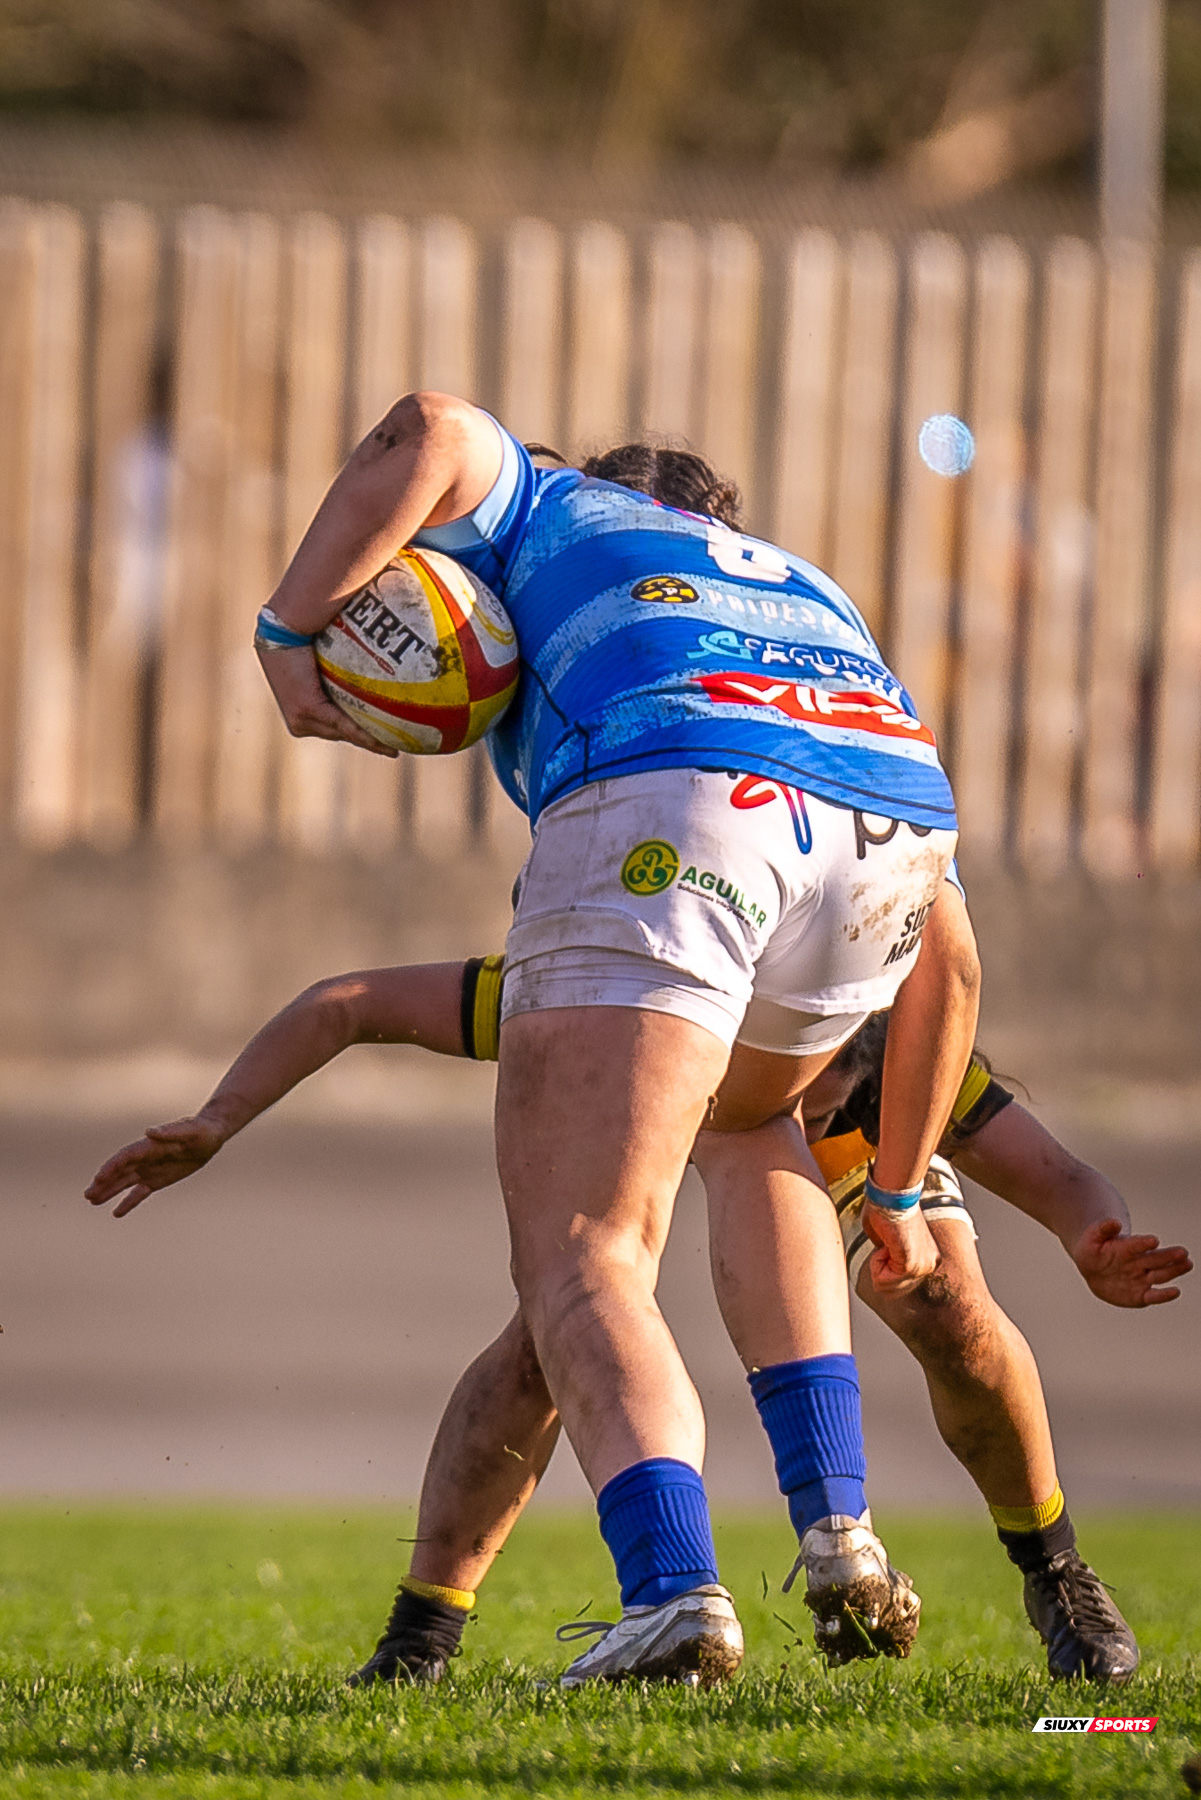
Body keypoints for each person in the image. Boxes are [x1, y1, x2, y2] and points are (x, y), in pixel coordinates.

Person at [247, 398, 976, 1684]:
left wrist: (286, 631)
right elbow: (955, 963)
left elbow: (426, 424)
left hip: (681, 797)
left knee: (587, 1254)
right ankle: (841, 1533)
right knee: (751, 1130)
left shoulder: (543, 508)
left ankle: (671, 1590)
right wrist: (903, 1189)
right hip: (893, 836)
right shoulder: (803, 592)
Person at [85, 944, 1189, 1683]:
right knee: (554, 1338)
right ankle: (420, 1635)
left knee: (943, 1297)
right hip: (658, 1123)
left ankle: (1056, 1574)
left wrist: (1095, 1235)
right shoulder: (620, 982)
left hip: (866, 1169)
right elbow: (353, 1002)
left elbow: (1056, 1173)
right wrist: (220, 1118)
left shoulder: (886, 1052)